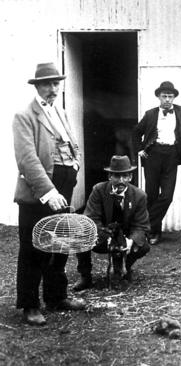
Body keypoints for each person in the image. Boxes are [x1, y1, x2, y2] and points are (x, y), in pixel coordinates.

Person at [13, 62, 86, 325]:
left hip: (64, 188)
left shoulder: (61, 112)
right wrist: (48, 191)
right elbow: (27, 159)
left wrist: (75, 164)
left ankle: (57, 297)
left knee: (60, 245)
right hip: (40, 194)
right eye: (47, 84)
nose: (52, 89)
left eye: (56, 84)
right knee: (34, 246)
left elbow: (70, 144)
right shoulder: (25, 116)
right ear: (37, 86)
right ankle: (30, 305)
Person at [77, 155, 150, 286]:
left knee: (143, 245)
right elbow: (91, 218)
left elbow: (141, 225)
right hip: (103, 236)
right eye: (117, 176)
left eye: (125, 176)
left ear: (130, 177)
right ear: (110, 176)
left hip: (126, 238)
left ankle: (124, 267)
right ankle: (85, 276)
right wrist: (106, 237)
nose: (121, 180)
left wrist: (130, 241)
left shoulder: (139, 196)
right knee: (81, 235)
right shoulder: (98, 190)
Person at [133, 81, 181, 245]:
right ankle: (154, 233)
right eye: (164, 96)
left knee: (167, 196)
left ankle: (144, 226)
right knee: (151, 195)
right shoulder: (150, 114)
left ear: (174, 98)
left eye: (170, 96)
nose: (167, 100)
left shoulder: (180, 111)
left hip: (172, 156)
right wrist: (139, 150)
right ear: (159, 97)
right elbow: (136, 132)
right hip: (153, 156)